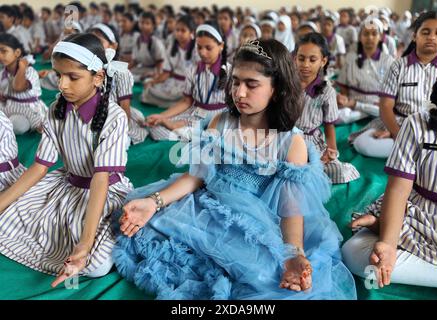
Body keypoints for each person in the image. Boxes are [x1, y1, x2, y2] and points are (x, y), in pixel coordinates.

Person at [112, 39, 357, 300]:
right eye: (236, 81)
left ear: (276, 89)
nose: (239, 93)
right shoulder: (221, 122)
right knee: (147, 223)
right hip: (207, 205)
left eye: (252, 85)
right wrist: (154, 201)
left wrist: (294, 252)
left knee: (265, 276)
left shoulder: (290, 142)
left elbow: (290, 211)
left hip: (255, 223)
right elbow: (196, 175)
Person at [0, 33, 133, 287]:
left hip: (102, 192)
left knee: (95, 265)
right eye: (59, 75)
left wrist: (85, 243)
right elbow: (39, 167)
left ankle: (82, 247)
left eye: (73, 77)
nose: (62, 85)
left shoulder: (114, 117)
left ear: (98, 77)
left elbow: (100, 179)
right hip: (65, 186)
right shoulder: (55, 109)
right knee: (7, 220)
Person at [342, 55, 437, 289]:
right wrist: (388, 245)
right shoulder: (418, 123)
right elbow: (399, 189)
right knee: (354, 253)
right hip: (420, 218)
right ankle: (389, 230)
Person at [352, 11, 437, 158]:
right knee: (363, 143)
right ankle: (420, 153)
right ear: (415, 36)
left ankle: (417, 151)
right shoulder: (399, 66)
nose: (432, 37)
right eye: (425, 32)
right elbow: (385, 106)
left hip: (436, 128)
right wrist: (396, 133)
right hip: (399, 124)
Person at [146, 22, 229, 142]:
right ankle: (193, 134)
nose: (202, 52)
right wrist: (162, 116)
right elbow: (186, 102)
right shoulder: (193, 70)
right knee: (156, 128)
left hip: (220, 117)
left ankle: (192, 133)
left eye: (208, 48)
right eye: (199, 47)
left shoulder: (230, 71)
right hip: (197, 113)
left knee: (220, 136)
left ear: (221, 46)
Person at [294, 33, 360, 184]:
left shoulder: (326, 91)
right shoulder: (287, 85)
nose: (305, 64)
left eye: (312, 60)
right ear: (294, 58)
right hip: (286, 137)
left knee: (336, 171)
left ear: (323, 61)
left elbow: (329, 125)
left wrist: (331, 152)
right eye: (301, 58)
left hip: (311, 141)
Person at [336, 18, 395, 125]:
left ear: (381, 37)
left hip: (376, 105)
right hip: (351, 104)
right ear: (360, 37)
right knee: (336, 117)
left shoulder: (388, 61)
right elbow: (343, 86)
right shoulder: (351, 58)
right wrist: (344, 99)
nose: (370, 37)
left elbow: (392, 93)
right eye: (366, 34)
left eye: (374, 33)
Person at [141, 15, 200, 109]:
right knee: (148, 87)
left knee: (189, 97)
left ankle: (179, 104)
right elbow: (166, 73)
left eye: (183, 30)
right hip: (173, 82)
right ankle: (175, 104)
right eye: (177, 30)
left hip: (189, 85)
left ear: (191, 32)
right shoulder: (172, 47)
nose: (179, 33)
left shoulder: (197, 48)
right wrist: (153, 82)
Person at [0, 33, 47, 134]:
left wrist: (22, 67)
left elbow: (17, 87)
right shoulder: (2, 73)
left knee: (17, 124)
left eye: (3, 51)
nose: (0, 55)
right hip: (9, 107)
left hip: (28, 110)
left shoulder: (29, 72)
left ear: (17, 53)